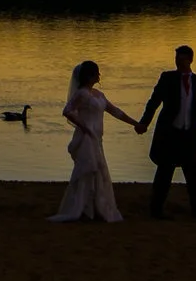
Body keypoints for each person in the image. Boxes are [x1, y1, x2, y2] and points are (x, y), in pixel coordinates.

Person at [136, 44, 196, 219]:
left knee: (194, 174)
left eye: (182, 59)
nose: (179, 63)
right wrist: (144, 123)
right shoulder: (167, 78)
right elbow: (154, 101)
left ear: (190, 60)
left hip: (189, 134)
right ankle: (156, 210)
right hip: (169, 133)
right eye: (177, 59)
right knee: (164, 173)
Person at [50, 59, 135, 222]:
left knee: (98, 171)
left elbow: (115, 111)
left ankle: (95, 208)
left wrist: (135, 123)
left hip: (97, 138)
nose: (99, 75)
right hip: (87, 137)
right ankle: (84, 209)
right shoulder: (82, 94)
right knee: (88, 169)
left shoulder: (98, 94)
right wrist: (84, 127)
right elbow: (67, 111)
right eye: (96, 73)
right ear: (89, 76)